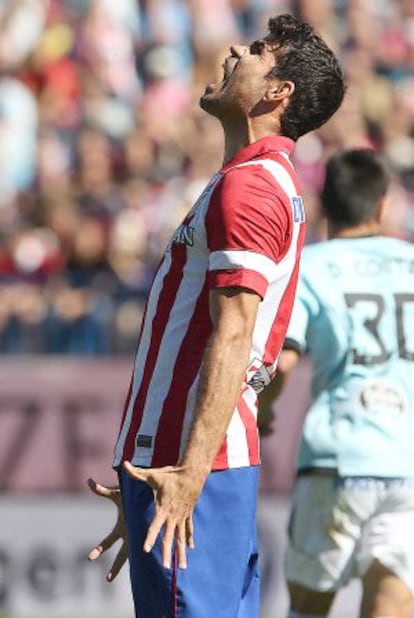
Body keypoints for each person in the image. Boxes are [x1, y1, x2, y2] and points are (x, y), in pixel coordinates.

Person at [87, 14, 345, 618]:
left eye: (257, 51)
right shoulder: (250, 179)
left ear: (277, 91)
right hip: (183, 467)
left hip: (190, 467)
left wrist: (186, 477)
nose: (235, 50)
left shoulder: (251, 187)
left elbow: (235, 336)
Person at [259, 148, 414, 618]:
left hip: (337, 457)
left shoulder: (311, 266)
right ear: (382, 205)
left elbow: (282, 361)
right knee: (392, 601)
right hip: (405, 461)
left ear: (323, 206)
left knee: (308, 606)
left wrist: (264, 410)